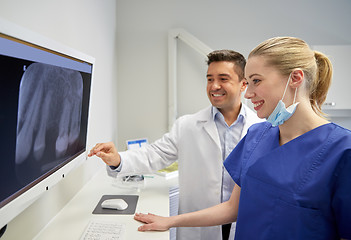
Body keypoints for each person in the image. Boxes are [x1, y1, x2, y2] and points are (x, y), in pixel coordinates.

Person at [133, 37, 351, 240]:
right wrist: (171, 222)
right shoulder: (257, 136)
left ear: (295, 78)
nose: (247, 93)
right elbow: (232, 208)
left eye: (256, 81)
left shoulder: (342, 151)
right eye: (248, 81)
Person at [88, 50, 263, 240]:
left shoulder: (262, 128)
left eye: (223, 78)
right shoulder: (187, 125)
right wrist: (118, 159)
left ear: (243, 84)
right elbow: (154, 154)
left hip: (244, 224)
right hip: (197, 228)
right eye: (209, 79)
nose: (214, 86)